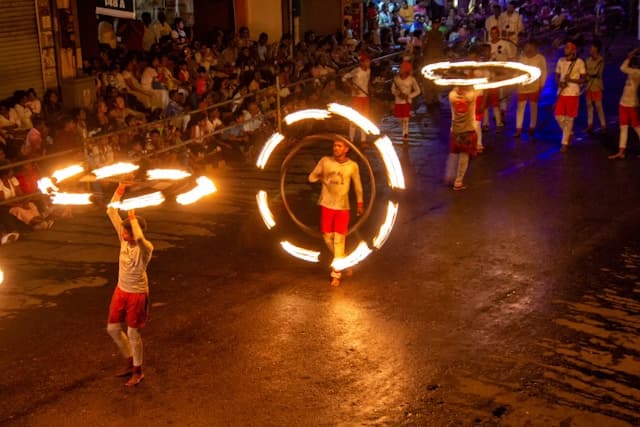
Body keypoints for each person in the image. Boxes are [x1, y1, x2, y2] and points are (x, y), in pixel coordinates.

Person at [106, 183, 154, 387]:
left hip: (137, 294)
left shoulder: (145, 248)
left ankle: (138, 370)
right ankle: (129, 361)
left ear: (132, 232)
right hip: (121, 290)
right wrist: (120, 188)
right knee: (113, 329)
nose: (122, 234)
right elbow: (110, 210)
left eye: (126, 232)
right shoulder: (124, 239)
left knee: (133, 333)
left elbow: (141, 238)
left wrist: (133, 218)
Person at [308, 140, 364, 287]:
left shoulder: (352, 166)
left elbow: (358, 185)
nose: (336, 148)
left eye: (340, 146)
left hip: (342, 207)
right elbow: (311, 177)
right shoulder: (325, 161)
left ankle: (336, 275)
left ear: (346, 149)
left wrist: (360, 203)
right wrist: (322, 178)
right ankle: (344, 260)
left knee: (339, 241)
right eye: (334, 145)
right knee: (327, 238)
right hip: (326, 204)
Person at [609, 48, 640, 159]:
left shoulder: (637, 73)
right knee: (624, 128)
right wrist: (631, 55)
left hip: (632, 105)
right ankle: (621, 151)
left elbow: (622, 68)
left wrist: (630, 56)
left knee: (637, 128)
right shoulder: (632, 73)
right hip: (623, 104)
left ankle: (621, 151)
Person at [555, 42, 585, 152]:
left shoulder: (579, 62)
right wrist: (559, 83)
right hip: (562, 92)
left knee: (569, 118)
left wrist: (571, 80)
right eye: (565, 47)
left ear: (573, 50)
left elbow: (583, 79)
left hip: (573, 93)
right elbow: (557, 76)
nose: (565, 49)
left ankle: (564, 143)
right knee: (558, 116)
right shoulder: (560, 61)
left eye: (568, 48)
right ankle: (568, 134)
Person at [448, 85, 478, 190]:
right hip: (467, 130)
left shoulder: (452, 95)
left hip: (455, 130)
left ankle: (450, 176)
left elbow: (455, 90)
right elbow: (476, 87)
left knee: (454, 153)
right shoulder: (471, 95)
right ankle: (458, 181)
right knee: (464, 156)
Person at [515, 40, 547, 137]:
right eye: (526, 47)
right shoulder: (521, 59)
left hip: (534, 87)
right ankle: (518, 129)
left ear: (534, 47)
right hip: (522, 87)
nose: (527, 49)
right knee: (520, 108)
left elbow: (544, 72)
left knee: (533, 107)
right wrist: (516, 82)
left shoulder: (540, 58)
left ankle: (532, 127)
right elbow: (517, 71)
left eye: (529, 47)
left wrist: (541, 85)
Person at [342, 54, 372, 146]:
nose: (369, 63)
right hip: (356, 97)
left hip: (365, 97)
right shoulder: (356, 71)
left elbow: (367, 83)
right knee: (354, 118)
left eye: (369, 61)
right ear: (362, 62)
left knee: (364, 118)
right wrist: (353, 88)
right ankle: (351, 140)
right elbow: (344, 78)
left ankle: (363, 140)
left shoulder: (369, 71)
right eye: (367, 61)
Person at [391, 61, 421, 141]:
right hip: (398, 102)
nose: (400, 69)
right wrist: (398, 94)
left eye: (402, 68)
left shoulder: (412, 79)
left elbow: (418, 90)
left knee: (406, 119)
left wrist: (409, 96)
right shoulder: (396, 79)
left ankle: (405, 133)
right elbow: (392, 89)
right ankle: (404, 131)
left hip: (407, 102)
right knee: (400, 119)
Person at [584, 40, 606, 133]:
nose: (591, 49)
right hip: (588, 86)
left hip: (597, 85)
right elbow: (585, 73)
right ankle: (590, 124)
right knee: (589, 106)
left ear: (597, 49)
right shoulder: (587, 60)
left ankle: (603, 125)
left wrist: (589, 73)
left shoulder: (601, 60)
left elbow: (597, 73)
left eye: (592, 47)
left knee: (598, 106)